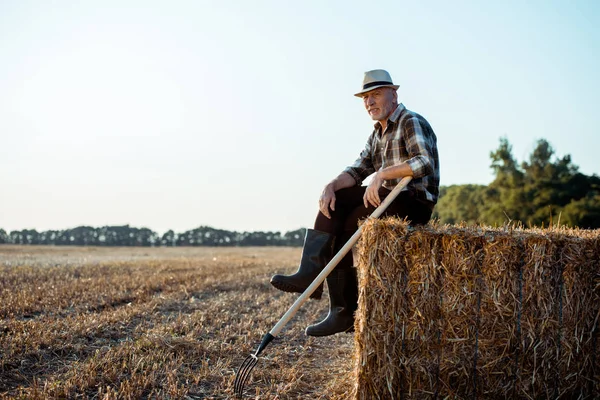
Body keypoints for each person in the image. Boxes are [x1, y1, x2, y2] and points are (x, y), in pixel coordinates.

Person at [270, 69, 440, 336]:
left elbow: (424, 162)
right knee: (336, 204)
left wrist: (383, 174)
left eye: (376, 95)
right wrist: (331, 185)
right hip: (384, 198)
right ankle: (316, 282)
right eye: (365, 97)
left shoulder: (410, 121)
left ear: (393, 95)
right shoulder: (377, 134)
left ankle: (340, 308)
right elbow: (358, 169)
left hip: (413, 201)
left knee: (349, 222)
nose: (370, 102)